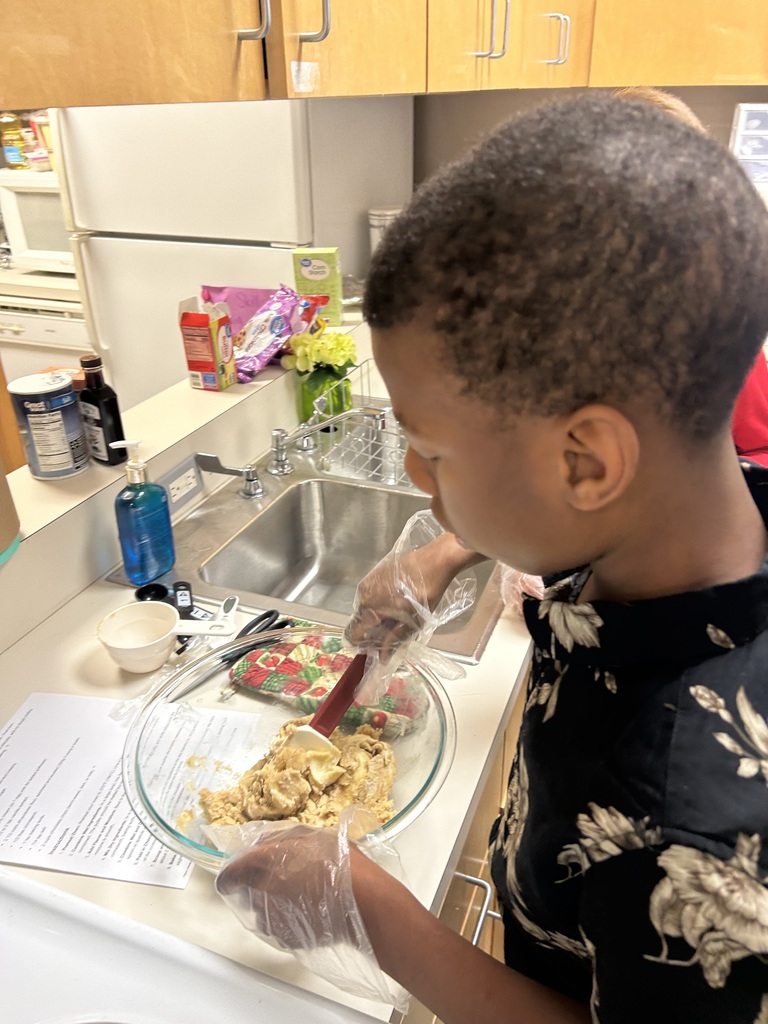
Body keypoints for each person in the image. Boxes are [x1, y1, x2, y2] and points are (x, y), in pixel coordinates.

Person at [217, 95, 768, 1022]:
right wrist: (445, 551)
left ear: (583, 462)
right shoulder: (681, 517)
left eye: (431, 448)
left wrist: (371, 909)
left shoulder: (695, 844)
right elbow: (560, 504)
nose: (409, 468)